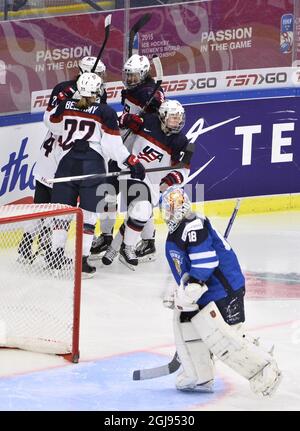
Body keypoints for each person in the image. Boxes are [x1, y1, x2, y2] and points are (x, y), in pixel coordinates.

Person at [160, 186, 282, 396]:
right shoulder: (180, 229)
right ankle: (199, 376)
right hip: (210, 291)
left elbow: (206, 262)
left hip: (223, 290)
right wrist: (181, 288)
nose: (168, 214)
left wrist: (192, 288)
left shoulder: (193, 225)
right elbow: (187, 266)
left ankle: (265, 371)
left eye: (170, 209)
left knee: (225, 338)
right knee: (193, 327)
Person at [45, 72, 145, 277]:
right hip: (93, 166)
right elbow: (112, 146)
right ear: (98, 90)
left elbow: (51, 123)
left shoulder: (65, 106)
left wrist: (60, 102)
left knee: (62, 214)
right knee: (89, 215)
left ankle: (55, 257)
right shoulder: (105, 111)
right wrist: (130, 161)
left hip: (67, 164)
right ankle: (82, 262)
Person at [18, 56, 107, 263]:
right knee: (52, 209)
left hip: (54, 158)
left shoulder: (94, 92)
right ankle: (45, 252)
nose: (102, 78)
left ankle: (33, 250)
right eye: (99, 74)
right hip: (59, 158)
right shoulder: (64, 89)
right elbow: (51, 120)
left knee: (43, 208)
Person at [102, 99, 194, 270]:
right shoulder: (149, 121)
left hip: (153, 184)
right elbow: (121, 124)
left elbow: (183, 171)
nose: (178, 121)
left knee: (139, 213)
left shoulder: (182, 142)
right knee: (142, 208)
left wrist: (168, 181)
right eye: (173, 118)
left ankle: (118, 247)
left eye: (179, 118)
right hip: (133, 172)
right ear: (162, 117)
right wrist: (127, 119)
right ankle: (127, 247)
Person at [90, 54, 164, 260]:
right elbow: (128, 115)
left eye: (133, 76)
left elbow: (158, 118)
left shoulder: (150, 92)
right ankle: (106, 236)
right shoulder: (134, 90)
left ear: (143, 74)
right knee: (108, 193)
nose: (129, 79)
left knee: (139, 197)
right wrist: (127, 120)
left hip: (137, 150)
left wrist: (146, 117)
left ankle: (148, 242)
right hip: (121, 147)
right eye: (127, 75)